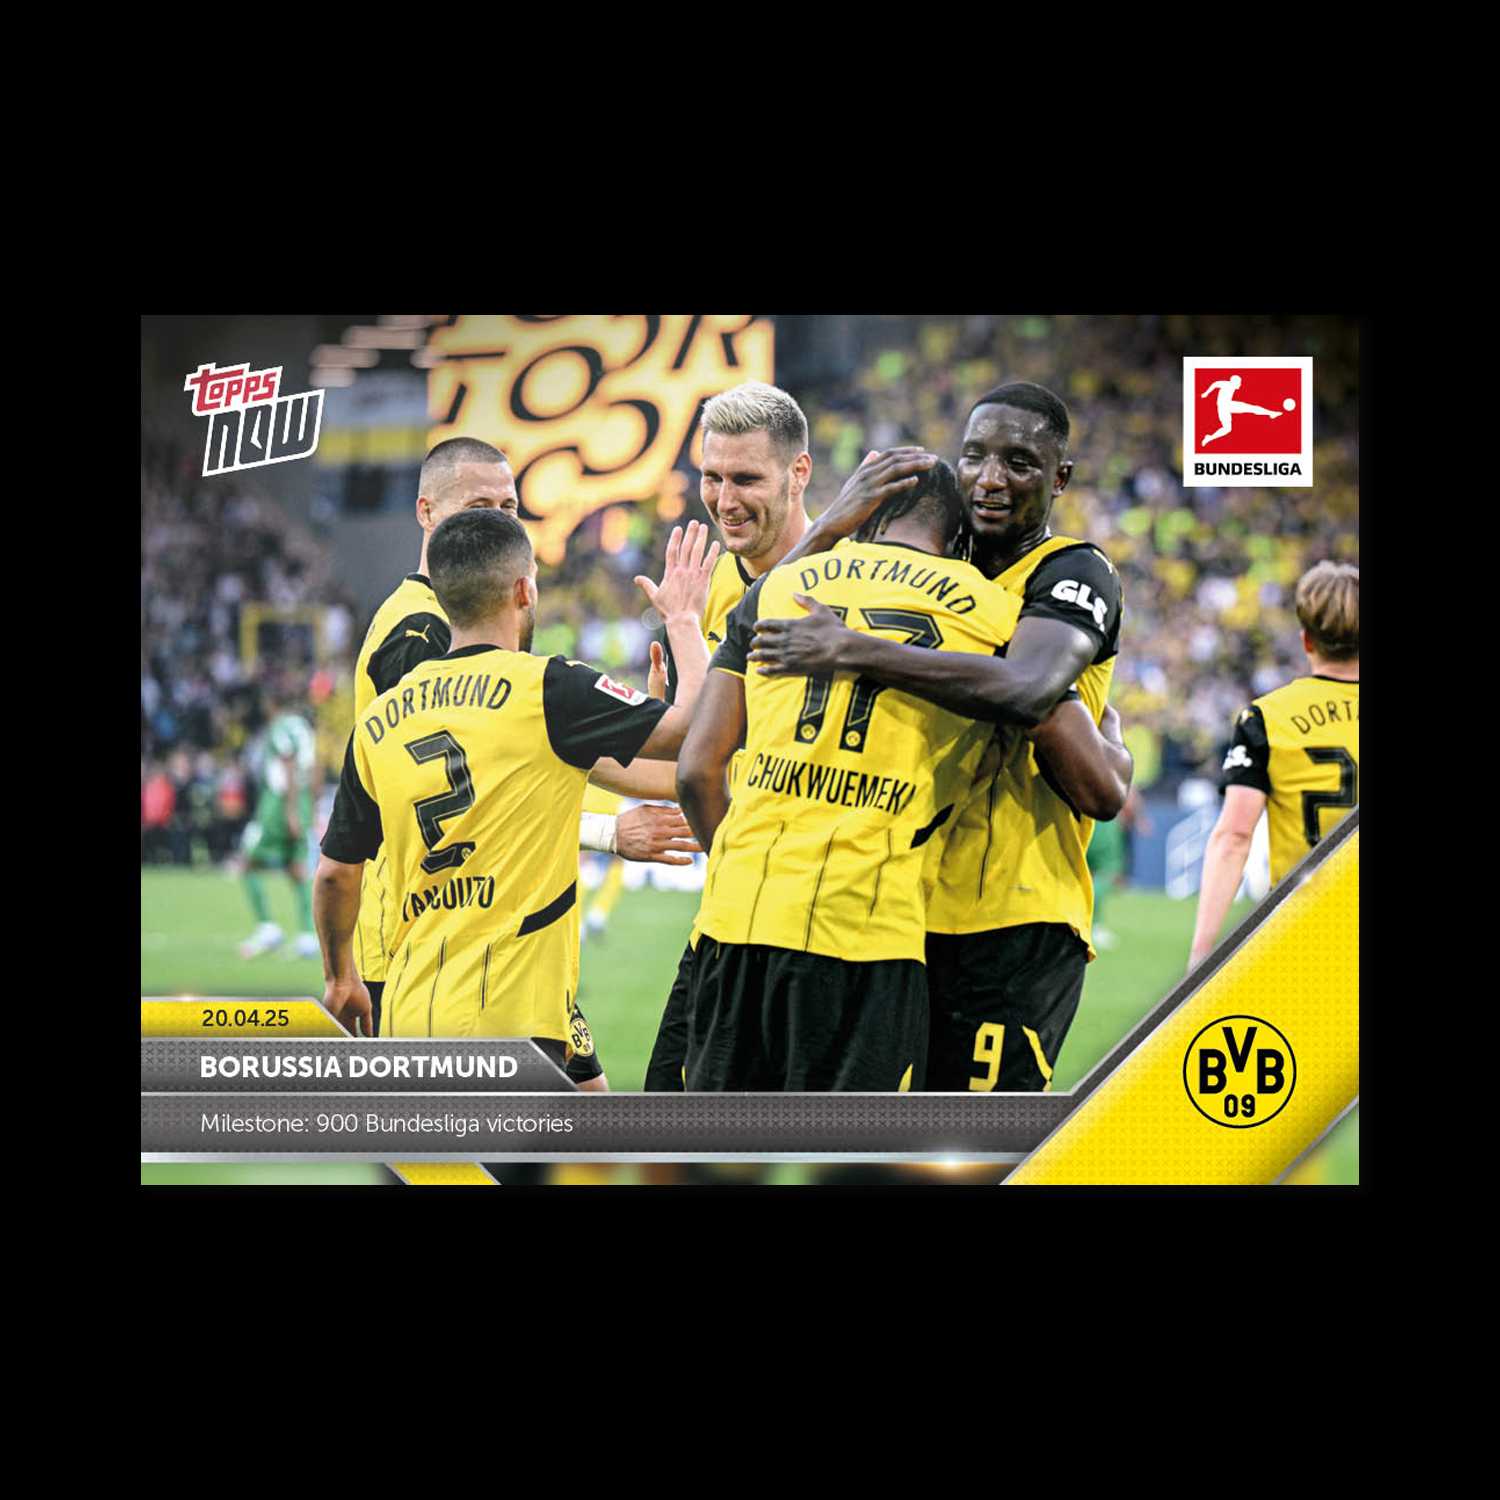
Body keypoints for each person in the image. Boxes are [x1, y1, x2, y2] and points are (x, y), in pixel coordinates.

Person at [750, 383, 1131, 1092]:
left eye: (1019, 462)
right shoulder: (936, 573)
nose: (990, 479)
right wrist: (825, 529)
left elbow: (1030, 691)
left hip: (1012, 916)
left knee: (970, 1139)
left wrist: (856, 649)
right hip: (898, 912)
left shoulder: (1073, 571)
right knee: (878, 1137)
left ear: (1060, 479)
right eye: (975, 456)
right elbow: (753, 632)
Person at [349, 437, 702, 1081]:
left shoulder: (476, 628)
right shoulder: (420, 632)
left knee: (586, 1106)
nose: (499, 520)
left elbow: (534, 744)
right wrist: (607, 832)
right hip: (441, 933)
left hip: (514, 930)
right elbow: (473, 784)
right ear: (427, 512)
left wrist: (646, 744)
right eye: (479, 506)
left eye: (509, 506)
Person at [676, 459, 1024, 1090]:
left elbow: (698, 771)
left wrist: (737, 867)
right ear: (956, 532)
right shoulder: (995, 613)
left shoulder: (780, 589)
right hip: (869, 934)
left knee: (718, 1141)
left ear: (867, 514)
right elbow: (1015, 731)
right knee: (850, 1145)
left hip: (737, 919)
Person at [643, 381, 935, 1090]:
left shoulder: (859, 577)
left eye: (746, 479)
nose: (724, 500)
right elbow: (696, 764)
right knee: (669, 1129)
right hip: (731, 925)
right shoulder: (705, 589)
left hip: (843, 938)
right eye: (712, 477)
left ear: (799, 472)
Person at [1188, 561, 1358, 970]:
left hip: (1304, 933)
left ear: (1306, 639)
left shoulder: (1266, 718)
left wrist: (1202, 953)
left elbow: (1234, 836)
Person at [236, 673, 320, 959]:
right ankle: (308, 936)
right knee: (297, 868)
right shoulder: (304, 726)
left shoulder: (280, 726)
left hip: (279, 805)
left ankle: (267, 928)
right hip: (302, 801)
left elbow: (288, 764)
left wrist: (291, 811)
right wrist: (310, 808)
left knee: (247, 863)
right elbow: (315, 767)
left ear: (270, 703)